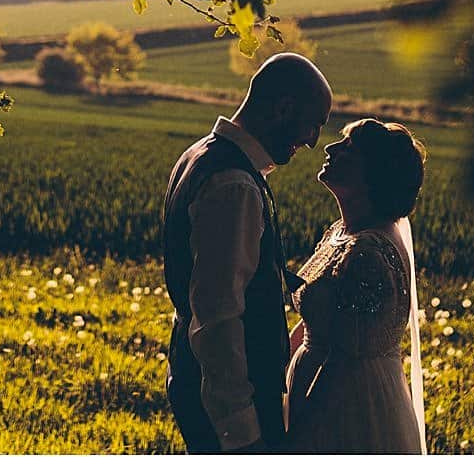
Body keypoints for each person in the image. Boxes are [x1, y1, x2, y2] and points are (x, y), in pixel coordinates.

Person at [164, 52, 333, 454]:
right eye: (314, 123)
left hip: (197, 384)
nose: (312, 141)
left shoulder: (200, 156)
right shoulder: (233, 184)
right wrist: (241, 432)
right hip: (232, 413)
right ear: (283, 108)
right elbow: (218, 316)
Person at [286, 118, 429, 455]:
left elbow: (344, 360)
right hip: (314, 389)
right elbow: (319, 321)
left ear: (373, 172)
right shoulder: (342, 232)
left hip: (344, 407)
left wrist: (301, 434)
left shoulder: (368, 254)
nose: (330, 148)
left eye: (348, 147)